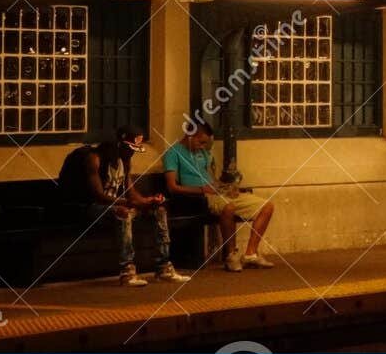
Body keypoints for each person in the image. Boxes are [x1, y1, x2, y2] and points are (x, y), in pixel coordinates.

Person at [58, 126, 190, 287]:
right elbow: (99, 195)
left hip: (117, 205)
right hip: (89, 208)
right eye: (130, 148)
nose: (132, 152)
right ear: (120, 144)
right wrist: (128, 203)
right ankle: (127, 271)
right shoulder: (94, 158)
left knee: (159, 211)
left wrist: (148, 201)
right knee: (123, 213)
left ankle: (164, 267)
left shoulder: (125, 162)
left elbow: (130, 192)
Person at [163, 119, 276, 271]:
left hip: (217, 192)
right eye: (200, 142)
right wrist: (202, 190)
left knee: (267, 206)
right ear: (190, 136)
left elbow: (212, 178)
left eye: (205, 143)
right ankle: (231, 255)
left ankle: (251, 254)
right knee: (228, 208)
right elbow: (172, 187)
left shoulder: (203, 153)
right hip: (199, 198)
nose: (202, 147)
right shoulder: (173, 153)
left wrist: (226, 187)